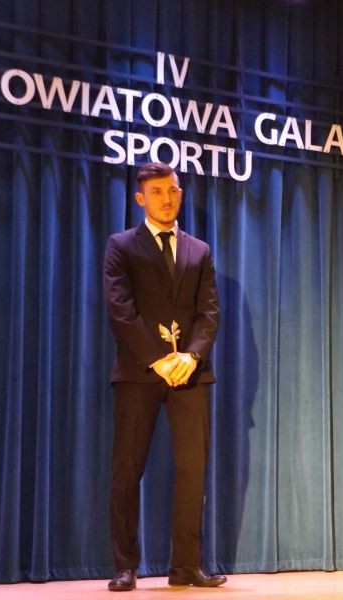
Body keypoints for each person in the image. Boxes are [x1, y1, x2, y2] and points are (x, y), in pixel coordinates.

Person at [103, 162, 225, 591]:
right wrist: (158, 359)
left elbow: (209, 312)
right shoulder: (121, 246)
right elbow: (120, 310)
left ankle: (186, 566)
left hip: (191, 374)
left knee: (192, 469)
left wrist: (191, 357)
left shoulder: (199, 250)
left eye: (172, 190)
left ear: (180, 193)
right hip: (139, 372)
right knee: (127, 469)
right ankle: (125, 566)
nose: (166, 198)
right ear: (141, 198)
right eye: (156, 192)